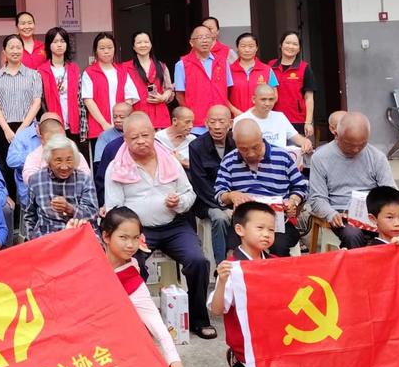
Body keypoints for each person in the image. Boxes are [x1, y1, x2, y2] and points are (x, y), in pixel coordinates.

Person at [104, 112, 214, 340]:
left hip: (174, 225)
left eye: (145, 135)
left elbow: (189, 193)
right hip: (138, 232)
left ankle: (198, 319)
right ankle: (139, 321)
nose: (141, 141)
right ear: (125, 139)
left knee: (198, 261)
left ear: (154, 133)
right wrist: (132, 231)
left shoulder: (170, 160)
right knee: (133, 265)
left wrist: (179, 202)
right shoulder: (116, 167)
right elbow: (114, 209)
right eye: (134, 137)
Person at [88, 208, 193, 367]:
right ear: (106, 237)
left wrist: (176, 365)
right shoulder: (89, 261)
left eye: (136, 238)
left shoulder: (132, 278)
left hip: (114, 348)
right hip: (84, 344)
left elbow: (157, 326)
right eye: (123, 237)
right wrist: (71, 232)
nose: (130, 245)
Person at [208, 202, 277, 367]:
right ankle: (237, 362)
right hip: (246, 346)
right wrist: (222, 282)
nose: (266, 234)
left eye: (271, 230)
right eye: (260, 228)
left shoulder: (276, 264)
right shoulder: (232, 268)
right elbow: (216, 310)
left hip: (274, 343)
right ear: (240, 229)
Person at [214, 119, 308, 258]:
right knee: (233, 250)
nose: (251, 153)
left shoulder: (282, 156)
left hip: (278, 223)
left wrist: (293, 201)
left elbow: (301, 186)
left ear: (261, 137)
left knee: (279, 247)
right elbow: (219, 194)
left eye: (256, 147)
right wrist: (232, 195)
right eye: (244, 149)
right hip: (245, 223)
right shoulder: (229, 161)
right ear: (235, 143)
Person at [308, 112, 397, 249]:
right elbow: (317, 198)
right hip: (342, 214)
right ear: (337, 135)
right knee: (352, 235)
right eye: (349, 144)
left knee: (393, 228)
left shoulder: (376, 157)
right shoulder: (320, 158)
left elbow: (390, 191)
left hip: (372, 212)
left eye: (362, 145)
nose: (355, 150)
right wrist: (332, 215)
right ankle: (359, 263)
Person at [0, 34, 44, 198]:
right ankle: (11, 206)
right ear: (4, 51)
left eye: (18, 47)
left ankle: (31, 205)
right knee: (6, 168)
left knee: (31, 165)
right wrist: (6, 129)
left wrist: (22, 129)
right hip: (4, 129)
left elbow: (37, 103)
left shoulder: (34, 75)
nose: (15, 51)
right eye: (11, 47)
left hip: (28, 128)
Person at [185, 105, 234, 264]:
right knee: (220, 218)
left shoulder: (237, 142)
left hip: (234, 199)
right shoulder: (196, 146)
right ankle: (221, 266)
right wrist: (222, 206)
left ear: (230, 123)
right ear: (206, 123)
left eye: (221, 121)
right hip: (207, 201)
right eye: (213, 122)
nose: (217, 126)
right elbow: (200, 183)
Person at [24, 135, 97, 240]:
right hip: (47, 236)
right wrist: (32, 239)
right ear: (48, 160)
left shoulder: (84, 179)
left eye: (69, 160)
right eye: (58, 161)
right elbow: (30, 216)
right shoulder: (36, 180)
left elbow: (93, 213)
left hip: (79, 234)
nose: (64, 167)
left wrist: (70, 209)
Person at [174, 24, 237, 130]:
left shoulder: (222, 62)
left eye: (208, 37)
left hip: (220, 120)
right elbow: (179, 95)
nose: (205, 40)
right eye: (200, 37)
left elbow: (226, 91)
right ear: (191, 43)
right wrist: (189, 116)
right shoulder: (182, 64)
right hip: (196, 122)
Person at [82, 32, 139, 142]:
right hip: (98, 127)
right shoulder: (89, 72)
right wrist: (104, 123)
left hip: (123, 128)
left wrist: (122, 119)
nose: (106, 51)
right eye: (102, 48)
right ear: (96, 50)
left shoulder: (122, 71)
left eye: (110, 47)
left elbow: (129, 97)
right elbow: (88, 100)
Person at [233, 84, 314, 155]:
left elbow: (299, 139)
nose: (267, 103)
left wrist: (306, 142)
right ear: (254, 99)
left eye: (271, 99)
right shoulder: (241, 120)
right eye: (263, 99)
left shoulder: (280, 117)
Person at [269, 29, 317, 139]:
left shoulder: (304, 68)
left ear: (299, 48)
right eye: (287, 43)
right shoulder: (270, 66)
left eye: (295, 44)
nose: (291, 47)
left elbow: (309, 97)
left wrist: (308, 122)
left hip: (297, 121)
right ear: (281, 45)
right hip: (273, 118)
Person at [21, 117, 91, 192]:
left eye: (62, 137)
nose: (58, 141)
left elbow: (86, 176)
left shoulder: (74, 153)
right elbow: (29, 179)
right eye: (53, 138)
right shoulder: (33, 157)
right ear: (42, 139)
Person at [38, 27, 82, 143]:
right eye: (55, 41)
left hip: (73, 123)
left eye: (62, 41)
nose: (59, 45)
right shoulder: (41, 71)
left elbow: (80, 98)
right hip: (52, 123)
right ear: (48, 45)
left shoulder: (74, 69)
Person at [125, 30, 175, 129]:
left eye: (146, 42)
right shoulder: (126, 68)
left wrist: (163, 97)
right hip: (137, 115)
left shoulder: (161, 66)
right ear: (133, 47)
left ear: (151, 44)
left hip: (160, 115)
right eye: (139, 42)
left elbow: (169, 88)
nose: (143, 45)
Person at [227, 33, 278, 115]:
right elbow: (223, 95)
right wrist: (236, 112)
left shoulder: (267, 70)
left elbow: (274, 95)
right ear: (237, 48)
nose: (247, 50)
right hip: (235, 117)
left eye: (251, 46)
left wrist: (253, 111)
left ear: (256, 48)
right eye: (243, 46)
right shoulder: (229, 70)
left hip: (260, 116)